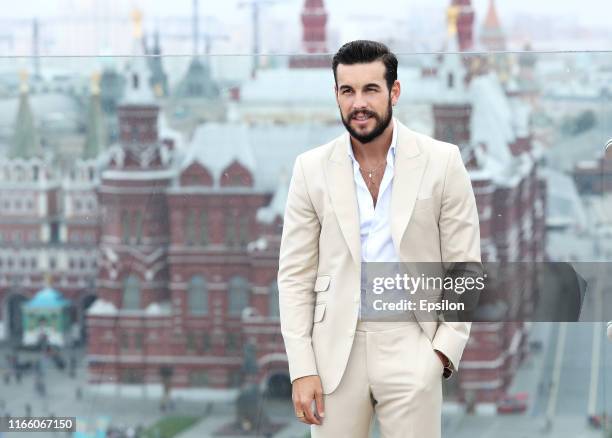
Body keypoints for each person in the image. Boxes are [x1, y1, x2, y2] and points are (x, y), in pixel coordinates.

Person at [278, 40, 481, 438]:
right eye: (347, 91)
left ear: (394, 91)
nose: (359, 104)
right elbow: (295, 276)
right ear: (336, 96)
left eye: (371, 89)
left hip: (412, 341)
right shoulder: (310, 169)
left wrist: (442, 351)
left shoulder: (442, 161)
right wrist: (302, 367)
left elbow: (465, 266)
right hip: (335, 349)